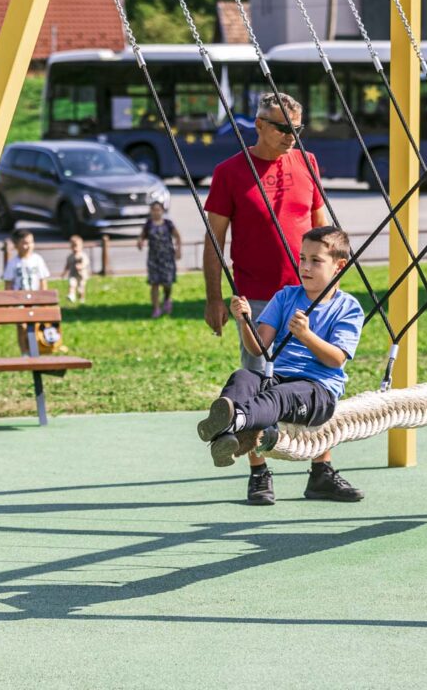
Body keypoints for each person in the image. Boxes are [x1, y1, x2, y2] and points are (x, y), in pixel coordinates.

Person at [203, 91, 363, 505]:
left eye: (298, 128)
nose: (292, 136)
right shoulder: (230, 172)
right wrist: (214, 298)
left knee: (310, 377)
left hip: (309, 295)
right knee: (258, 380)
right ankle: (259, 473)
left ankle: (321, 471)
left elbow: (322, 229)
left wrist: (330, 282)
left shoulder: (307, 163)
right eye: (282, 128)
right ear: (258, 125)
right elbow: (214, 240)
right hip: (257, 293)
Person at [197, 227, 365, 507]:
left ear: (339, 266)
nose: (305, 267)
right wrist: (244, 321)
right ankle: (230, 432)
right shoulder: (286, 297)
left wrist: (307, 336)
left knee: (276, 397)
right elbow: (259, 349)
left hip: (317, 390)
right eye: (302, 259)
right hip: (280, 378)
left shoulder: (347, 307)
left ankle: (232, 425)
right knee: (244, 377)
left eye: (316, 261)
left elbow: (336, 359)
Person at [2, 229, 51, 355]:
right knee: (22, 326)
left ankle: (34, 351)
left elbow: (43, 280)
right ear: (16, 245)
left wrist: (44, 299)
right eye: (24, 243)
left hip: (34, 299)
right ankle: (24, 351)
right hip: (19, 300)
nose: (28, 246)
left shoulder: (37, 260)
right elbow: (8, 283)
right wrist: (9, 302)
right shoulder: (13, 263)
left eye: (31, 242)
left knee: (34, 327)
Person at [138, 200, 181, 317]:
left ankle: (167, 299)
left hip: (167, 258)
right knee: (154, 283)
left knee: (167, 283)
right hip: (153, 258)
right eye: (153, 210)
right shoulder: (148, 224)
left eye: (158, 210)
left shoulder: (168, 223)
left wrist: (178, 250)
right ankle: (156, 308)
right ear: (151, 212)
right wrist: (140, 242)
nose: (156, 212)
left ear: (162, 211)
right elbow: (141, 237)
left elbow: (177, 237)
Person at [62, 234, 90, 304]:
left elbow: (86, 262)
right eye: (73, 246)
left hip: (81, 275)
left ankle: (81, 299)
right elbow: (67, 265)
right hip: (73, 274)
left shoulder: (82, 255)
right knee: (72, 284)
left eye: (76, 246)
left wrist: (81, 266)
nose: (75, 248)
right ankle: (71, 295)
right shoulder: (70, 256)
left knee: (81, 288)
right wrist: (65, 272)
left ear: (81, 246)